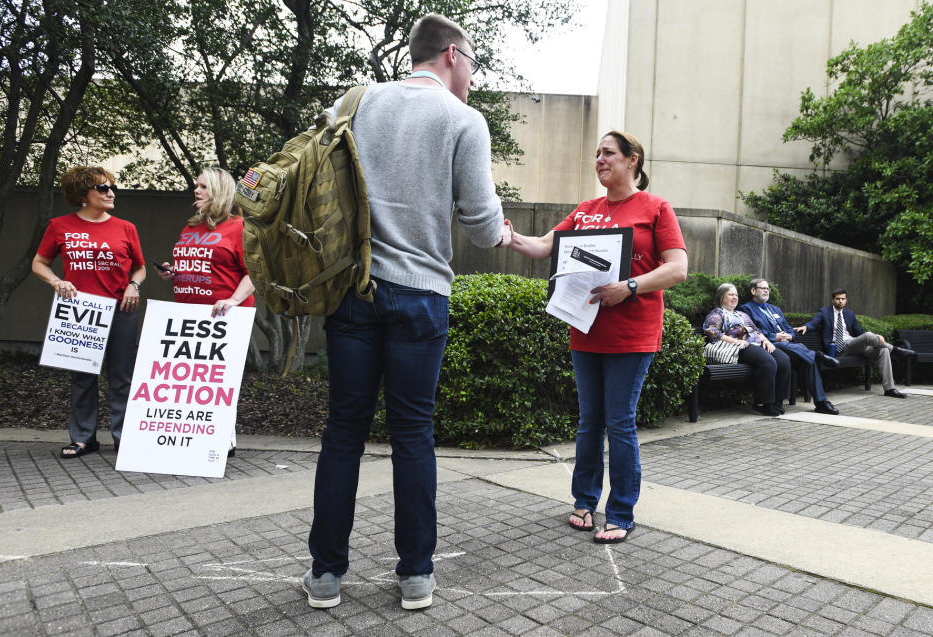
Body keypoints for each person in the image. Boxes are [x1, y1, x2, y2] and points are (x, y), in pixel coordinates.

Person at [302, 14, 510, 611]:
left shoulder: (355, 101)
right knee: (412, 433)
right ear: (451, 55)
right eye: (472, 62)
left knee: (343, 431)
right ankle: (415, 575)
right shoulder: (463, 119)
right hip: (420, 295)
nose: (472, 74)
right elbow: (483, 223)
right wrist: (508, 234)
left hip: (352, 289)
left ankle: (325, 576)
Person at [506, 130, 687, 545]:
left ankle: (621, 512)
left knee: (619, 422)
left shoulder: (655, 207)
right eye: (597, 154)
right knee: (589, 421)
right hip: (585, 329)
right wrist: (510, 237)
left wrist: (631, 286)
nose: (600, 160)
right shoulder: (586, 210)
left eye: (609, 153)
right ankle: (584, 500)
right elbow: (543, 246)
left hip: (632, 334)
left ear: (632, 160)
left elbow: (677, 268)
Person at [32, 166, 146, 458]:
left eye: (112, 188)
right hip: (80, 311)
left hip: (122, 309)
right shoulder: (60, 226)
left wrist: (134, 284)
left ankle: (124, 438)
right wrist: (57, 282)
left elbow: (140, 267)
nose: (111, 193)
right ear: (84, 194)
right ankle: (84, 439)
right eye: (103, 188)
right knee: (82, 376)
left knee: (121, 376)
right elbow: (39, 263)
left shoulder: (126, 227)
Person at [154, 166, 255, 457]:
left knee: (220, 381)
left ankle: (223, 440)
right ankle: (198, 439)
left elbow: (255, 274)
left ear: (220, 191)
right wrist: (174, 272)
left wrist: (234, 301)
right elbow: (197, 263)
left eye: (203, 186)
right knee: (193, 381)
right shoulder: (190, 227)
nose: (195, 191)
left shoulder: (239, 227)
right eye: (196, 186)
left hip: (223, 318)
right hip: (187, 316)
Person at [740, 278, 840, 415]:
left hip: (788, 347)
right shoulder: (746, 309)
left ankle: (821, 402)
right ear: (753, 290)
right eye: (762, 288)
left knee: (808, 361)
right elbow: (753, 331)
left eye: (767, 288)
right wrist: (775, 337)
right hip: (769, 347)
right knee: (807, 356)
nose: (766, 290)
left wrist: (790, 336)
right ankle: (816, 355)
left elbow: (789, 328)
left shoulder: (775, 309)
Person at [796, 288, 911, 398]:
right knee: (868, 336)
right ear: (833, 300)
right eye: (837, 299)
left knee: (883, 350)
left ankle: (889, 389)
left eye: (843, 299)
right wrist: (806, 326)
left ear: (846, 300)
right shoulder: (825, 312)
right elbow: (814, 322)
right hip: (839, 348)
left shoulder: (849, 314)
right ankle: (895, 350)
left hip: (854, 345)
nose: (840, 301)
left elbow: (860, 332)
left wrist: (876, 336)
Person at [703, 283, 791, 416]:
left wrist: (766, 341)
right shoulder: (718, 313)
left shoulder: (742, 314)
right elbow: (712, 331)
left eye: (736, 295)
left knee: (784, 360)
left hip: (756, 344)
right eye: (731, 294)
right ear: (722, 297)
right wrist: (736, 341)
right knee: (768, 362)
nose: (735, 297)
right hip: (738, 347)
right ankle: (762, 403)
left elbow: (756, 330)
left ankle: (776, 401)